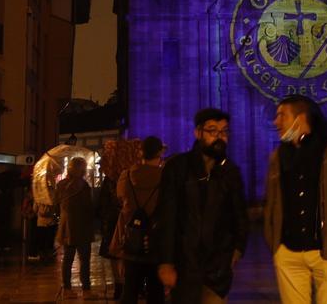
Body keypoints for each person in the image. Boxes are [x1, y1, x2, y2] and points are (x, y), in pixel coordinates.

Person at [264, 96, 327, 304]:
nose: (276, 122)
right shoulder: (278, 155)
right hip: (288, 252)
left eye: (282, 115)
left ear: (300, 118)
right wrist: (275, 244)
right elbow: (272, 201)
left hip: (326, 252)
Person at [155, 108, 249, 303]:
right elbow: (167, 215)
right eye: (212, 131)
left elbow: (239, 213)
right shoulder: (177, 168)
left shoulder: (231, 172)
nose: (219, 137)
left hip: (218, 268)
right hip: (184, 265)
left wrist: (238, 248)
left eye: (224, 131)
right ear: (198, 133)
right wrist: (166, 261)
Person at [111, 136, 166, 304]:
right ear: (160, 152)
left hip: (131, 240)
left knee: (130, 290)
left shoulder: (126, 176)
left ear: (141, 153)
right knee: (156, 292)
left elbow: (121, 198)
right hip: (157, 241)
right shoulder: (166, 178)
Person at [55, 157, 97, 298]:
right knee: (84, 260)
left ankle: (67, 289)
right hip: (82, 227)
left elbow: (57, 204)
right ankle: (86, 290)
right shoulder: (83, 186)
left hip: (67, 226)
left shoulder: (61, 185)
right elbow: (88, 208)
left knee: (67, 259)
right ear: (82, 169)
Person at [98, 170, 123, 300]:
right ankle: (124, 284)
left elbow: (102, 202)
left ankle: (119, 284)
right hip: (127, 219)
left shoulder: (109, 180)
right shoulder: (131, 174)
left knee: (114, 254)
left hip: (113, 220)